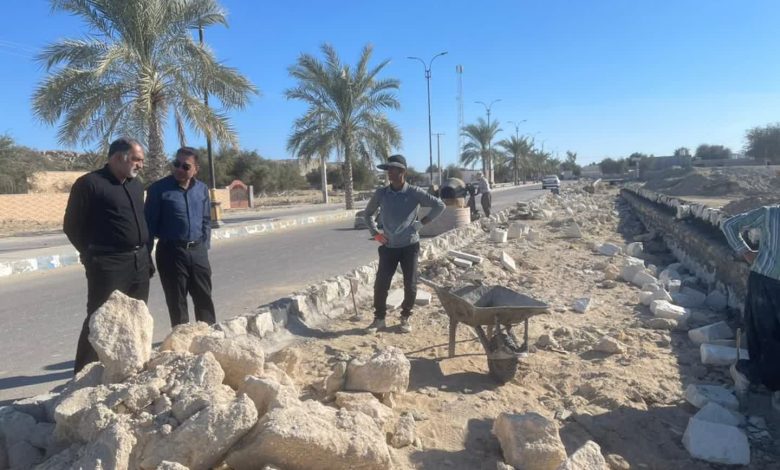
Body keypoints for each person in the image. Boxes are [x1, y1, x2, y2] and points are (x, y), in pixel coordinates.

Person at [63, 137, 151, 373]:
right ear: (118, 157)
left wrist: (147, 258)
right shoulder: (89, 184)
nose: (141, 165)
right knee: (99, 318)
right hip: (108, 264)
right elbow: (71, 226)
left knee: (136, 316)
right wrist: (90, 255)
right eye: (137, 159)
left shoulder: (136, 185)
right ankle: (83, 375)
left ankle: (131, 368)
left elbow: (141, 222)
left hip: (139, 261)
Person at [363, 154, 445, 333]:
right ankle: (379, 319)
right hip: (388, 247)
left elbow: (439, 205)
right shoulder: (381, 193)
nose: (389, 173)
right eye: (388, 169)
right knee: (381, 285)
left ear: (403, 172)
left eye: (393, 169)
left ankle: (405, 317)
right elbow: (367, 214)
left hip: (410, 246)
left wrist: (421, 223)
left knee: (410, 284)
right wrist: (376, 234)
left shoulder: (414, 192)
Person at [145, 147, 216, 328]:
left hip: (198, 251)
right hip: (171, 252)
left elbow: (206, 219)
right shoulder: (158, 189)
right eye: (176, 164)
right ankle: (181, 338)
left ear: (196, 169)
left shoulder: (201, 189)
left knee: (204, 297)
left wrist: (204, 246)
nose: (179, 169)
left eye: (185, 166)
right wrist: (146, 257)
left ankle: (207, 334)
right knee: (176, 301)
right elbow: (149, 226)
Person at [722, 203, 780, 410]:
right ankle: (747, 373)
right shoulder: (770, 214)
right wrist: (745, 252)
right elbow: (729, 225)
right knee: (765, 336)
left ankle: (766, 382)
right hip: (765, 282)